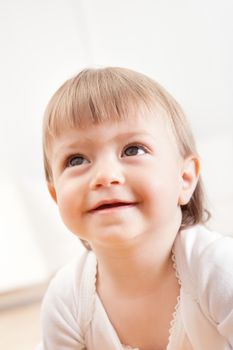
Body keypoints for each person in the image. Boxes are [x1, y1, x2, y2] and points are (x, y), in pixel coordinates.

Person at [37, 67, 233, 350]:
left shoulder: (219, 272)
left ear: (185, 178)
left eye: (133, 150)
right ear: (55, 194)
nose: (105, 175)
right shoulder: (66, 300)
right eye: (76, 160)